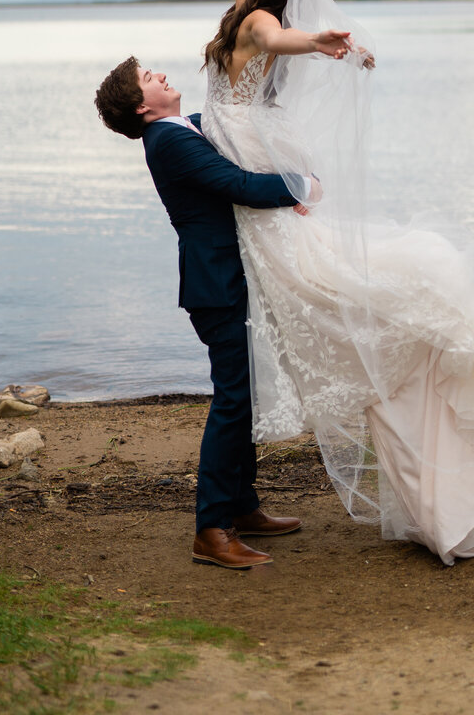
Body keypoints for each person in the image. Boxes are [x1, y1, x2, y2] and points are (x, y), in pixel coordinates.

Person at [200, 0, 474, 565]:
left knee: (365, 337)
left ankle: (448, 497)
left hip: (272, 216)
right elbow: (235, 99)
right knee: (365, 345)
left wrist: (318, 43)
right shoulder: (237, 15)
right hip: (264, 206)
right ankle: (443, 495)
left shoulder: (258, 19)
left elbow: (277, 40)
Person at [94, 55, 326, 569]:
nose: (159, 75)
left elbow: (237, 126)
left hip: (231, 278)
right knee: (233, 401)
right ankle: (211, 530)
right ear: (141, 106)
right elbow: (238, 185)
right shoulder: (169, 141)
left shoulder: (187, 126)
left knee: (247, 394)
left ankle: (242, 507)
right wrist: (303, 187)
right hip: (216, 285)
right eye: (147, 78)